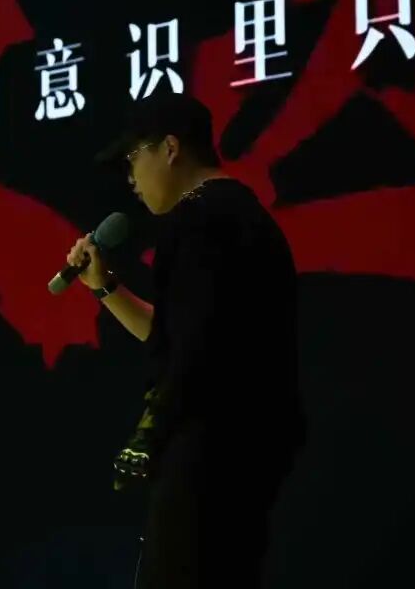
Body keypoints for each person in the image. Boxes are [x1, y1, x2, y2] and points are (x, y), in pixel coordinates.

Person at [66, 94, 305, 588]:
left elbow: (189, 352)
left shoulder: (196, 221)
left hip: (207, 452)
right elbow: (182, 335)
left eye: (134, 158)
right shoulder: (242, 215)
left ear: (170, 148)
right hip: (248, 450)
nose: (131, 178)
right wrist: (105, 287)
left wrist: (151, 433)